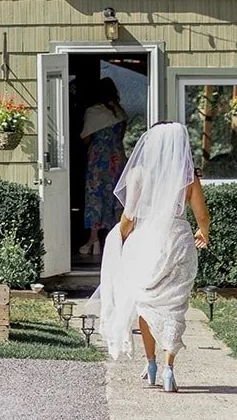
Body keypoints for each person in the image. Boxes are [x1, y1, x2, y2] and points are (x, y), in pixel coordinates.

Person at [88, 121, 211, 393]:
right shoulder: (187, 175)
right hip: (178, 240)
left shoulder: (139, 174)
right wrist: (204, 232)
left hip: (146, 242)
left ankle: (151, 363)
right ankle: (169, 369)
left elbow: (129, 217)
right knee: (174, 306)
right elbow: (202, 215)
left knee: (144, 302)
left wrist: (119, 237)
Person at [78, 85, 128, 257]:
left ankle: (94, 239)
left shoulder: (93, 112)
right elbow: (121, 136)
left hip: (98, 160)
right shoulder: (119, 112)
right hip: (117, 159)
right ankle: (118, 237)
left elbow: (85, 138)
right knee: (117, 196)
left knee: (95, 196)